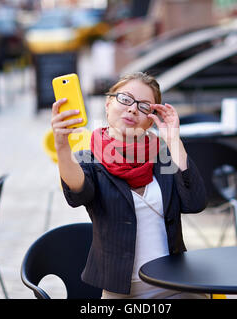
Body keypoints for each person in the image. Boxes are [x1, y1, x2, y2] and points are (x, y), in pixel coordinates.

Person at [51, 72, 208, 298]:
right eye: (125, 99)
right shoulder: (89, 158)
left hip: (175, 284)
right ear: (108, 104)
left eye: (144, 106)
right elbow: (79, 193)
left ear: (151, 117)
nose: (133, 109)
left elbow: (195, 202)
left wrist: (174, 140)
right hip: (122, 291)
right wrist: (62, 146)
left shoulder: (163, 157)